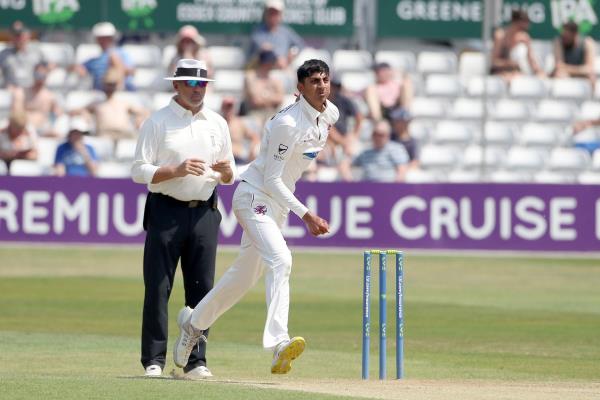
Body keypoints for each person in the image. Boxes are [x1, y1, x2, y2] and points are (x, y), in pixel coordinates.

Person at [172, 59, 339, 375]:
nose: (322, 86)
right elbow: (273, 179)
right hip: (254, 196)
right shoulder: (286, 125)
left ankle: (193, 323)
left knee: (243, 277)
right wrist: (306, 215)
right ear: (299, 89)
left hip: (275, 205)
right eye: (314, 81)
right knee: (281, 260)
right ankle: (279, 344)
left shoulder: (330, 114)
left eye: (325, 79)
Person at [131, 59, 236, 379]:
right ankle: (154, 360)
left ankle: (196, 361)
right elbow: (139, 171)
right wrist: (174, 171)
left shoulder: (217, 123)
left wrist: (225, 172)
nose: (196, 89)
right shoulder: (158, 122)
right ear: (176, 85)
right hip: (166, 210)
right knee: (159, 286)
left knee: (203, 290)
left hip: (205, 210)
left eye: (201, 84)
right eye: (190, 83)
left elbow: (230, 173)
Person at [82, 68, 148, 141]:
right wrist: (85, 114)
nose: (110, 88)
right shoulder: (97, 103)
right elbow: (78, 110)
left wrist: (139, 118)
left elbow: (145, 112)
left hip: (124, 134)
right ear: (103, 85)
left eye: (112, 85)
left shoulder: (124, 103)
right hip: (105, 134)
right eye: (108, 84)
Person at [339, 120, 409, 182]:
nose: (378, 137)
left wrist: (393, 190)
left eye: (381, 135)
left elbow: (402, 172)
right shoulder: (365, 152)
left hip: (389, 189)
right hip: (367, 190)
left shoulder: (396, 149)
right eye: (376, 134)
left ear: (388, 135)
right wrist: (349, 181)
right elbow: (345, 163)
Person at [75, 22, 135, 91]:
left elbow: (132, 72)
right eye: (101, 38)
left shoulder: (122, 53)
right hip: (99, 93)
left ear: (112, 38)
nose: (103, 41)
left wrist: (116, 68)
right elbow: (79, 67)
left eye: (107, 38)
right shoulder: (94, 58)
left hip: (121, 92)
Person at [248, 0, 304, 69]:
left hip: (283, 70)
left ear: (281, 15)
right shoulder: (257, 32)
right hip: (262, 72)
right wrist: (277, 59)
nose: (273, 16)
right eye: (271, 13)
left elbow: (300, 45)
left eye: (276, 13)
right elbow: (261, 50)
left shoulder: (286, 31)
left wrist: (292, 54)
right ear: (265, 13)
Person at [490, 9, 545, 81]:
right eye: (521, 26)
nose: (523, 29)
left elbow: (531, 60)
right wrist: (509, 63)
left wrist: (538, 71)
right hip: (499, 72)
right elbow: (494, 61)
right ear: (514, 23)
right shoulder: (500, 36)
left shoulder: (525, 38)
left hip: (516, 73)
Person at [12, 62, 64, 137]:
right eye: (38, 75)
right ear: (33, 75)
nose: (40, 78)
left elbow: (59, 114)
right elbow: (16, 115)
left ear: (47, 76)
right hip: (23, 129)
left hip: (43, 129)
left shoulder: (50, 97)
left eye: (43, 75)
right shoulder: (21, 93)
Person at [243, 49, 285, 127]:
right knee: (256, 124)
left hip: (272, 113)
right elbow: (255, 101)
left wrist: (264, 97)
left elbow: (280, 99)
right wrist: (271, 98)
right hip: (255, 113)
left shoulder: (275, 79)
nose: (270, 65)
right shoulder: (250, 76)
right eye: (268, 62)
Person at [0, 21, 45, 89]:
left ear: (27, 35)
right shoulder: (4, 54)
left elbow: (45, 68)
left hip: (32, 90)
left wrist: (41, 75)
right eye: (15, 35)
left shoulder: (36, 52)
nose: (18, 38)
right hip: (11, 90)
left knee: (48, 96)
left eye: (20, 35)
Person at [327, 76, 363, 157]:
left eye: (337, 86)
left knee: (353, 152)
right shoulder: (320, 102)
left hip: (344, 137)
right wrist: (343, 141)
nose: (334, 89)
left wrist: (354, 135)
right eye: (333, 85)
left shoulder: (344, 100)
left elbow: (359, 117)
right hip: (326, 139)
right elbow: (327, 126)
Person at [552, 21, 596, 86]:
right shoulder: (558, 41)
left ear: (575, 34)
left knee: (592, 77)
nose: (564, 38)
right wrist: (580, 70)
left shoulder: (587, 42)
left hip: (581, 75)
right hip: (566, 74)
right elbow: (559, 66)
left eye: (567, 36)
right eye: (563, 35)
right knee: (559, 75)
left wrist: (568, 69)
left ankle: (591, 96)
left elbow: (589, 68)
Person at [220, 97, 261, 164]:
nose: (228, 110)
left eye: (230, 107)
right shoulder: (218, 123)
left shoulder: (239, 123)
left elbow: (255, 138)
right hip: (223, 160)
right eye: (226, 107)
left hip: (238, 158)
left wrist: (252, 150)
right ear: (222, 108)